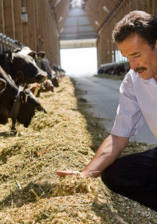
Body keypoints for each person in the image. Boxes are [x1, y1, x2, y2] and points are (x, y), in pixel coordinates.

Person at [57, 10, 157, 211]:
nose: (132, 65)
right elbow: (118, 137)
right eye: (127, 57)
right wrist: (86, 174)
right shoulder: (133, 81)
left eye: (136, 55)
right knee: (115, 174)